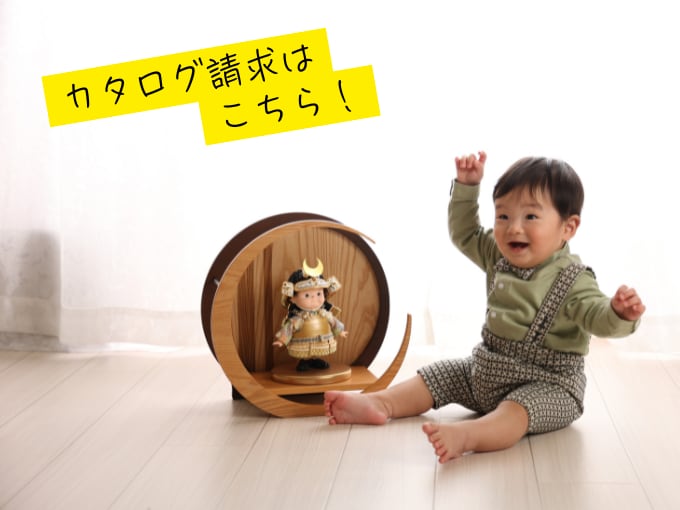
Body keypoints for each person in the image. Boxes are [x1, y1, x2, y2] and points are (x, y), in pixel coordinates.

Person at [324, 151, 646, 463]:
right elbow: (465, 233)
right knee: (440, 375)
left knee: (516, 411)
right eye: (503, 216)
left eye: (530, 217)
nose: (513, 227)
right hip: (487, 370)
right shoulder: (497, 255)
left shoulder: (573, 279)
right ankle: (382, 403)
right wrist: (467, 187)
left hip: (550, 385)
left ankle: (469, 436)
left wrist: (618, 313)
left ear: (568, 227)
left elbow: (596, 315)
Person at [274, 258, 349, 371]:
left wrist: (340, 331)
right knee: (305, 352)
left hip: (321, 341)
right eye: (307, 295)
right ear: (293, 298)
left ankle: (315, 360)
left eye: (319, 293)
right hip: (303, 344)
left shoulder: (324, 314)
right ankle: (304, 361)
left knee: (317, 351)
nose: (314, 298)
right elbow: (288, 328)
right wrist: (282, 340)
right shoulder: (298, 318)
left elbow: (333, 322)